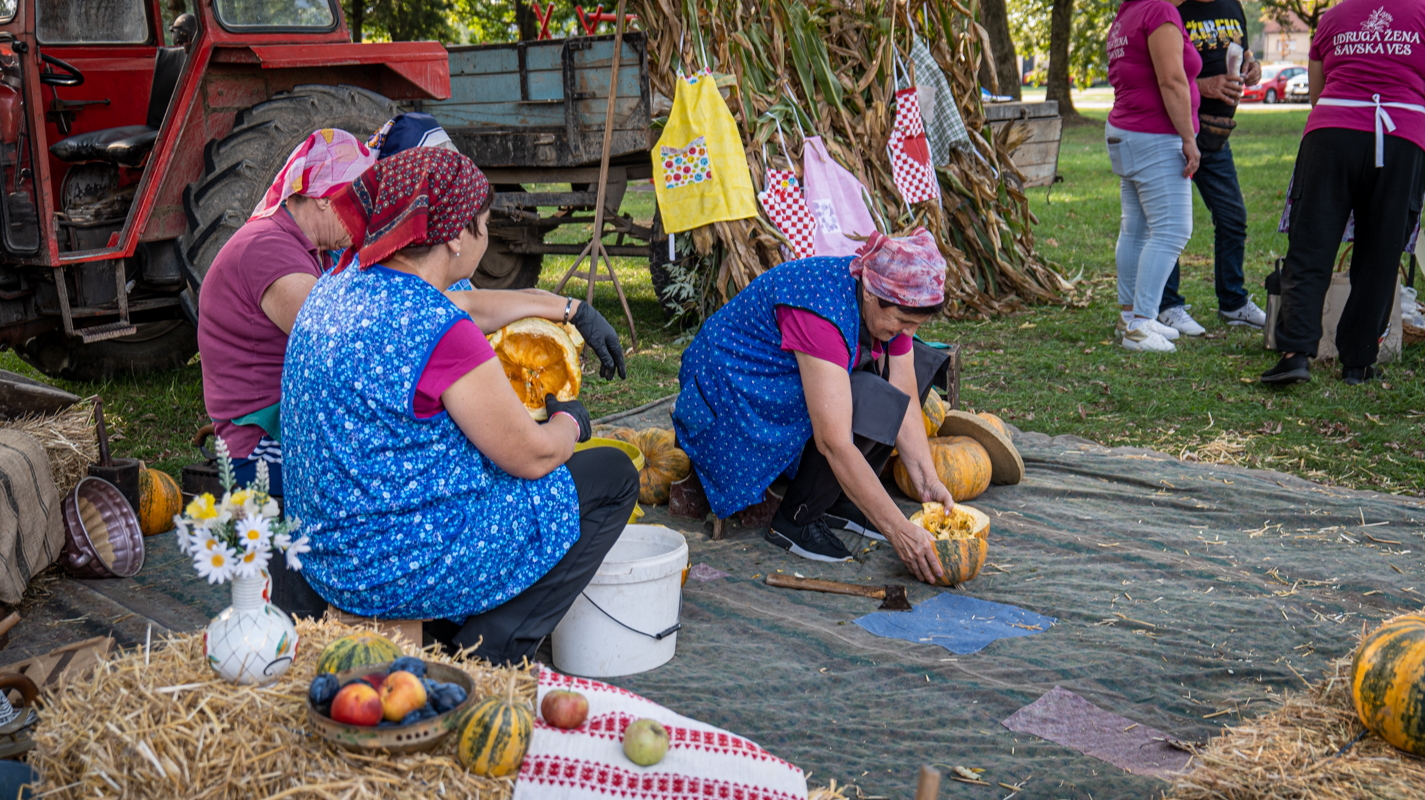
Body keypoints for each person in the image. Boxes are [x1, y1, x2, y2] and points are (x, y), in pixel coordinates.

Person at [282, 148, 639, 665]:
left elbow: (468, 302)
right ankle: (488, 649)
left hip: (325, 550)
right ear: (456, 235)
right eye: (486, 224)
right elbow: (533, 455)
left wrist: (570, 308)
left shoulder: (339, 285)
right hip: (392, 566)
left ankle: (460, 619)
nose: (487, 235)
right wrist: (570, 420)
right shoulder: (437, 329)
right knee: (608, 475)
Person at [672, 230, 954, 584]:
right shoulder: (819, 310)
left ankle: (837, 498)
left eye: (915, 324)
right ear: (869, 292)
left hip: (768, 384)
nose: (907, 332)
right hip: (726, 398)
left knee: (909, 371)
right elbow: (833, 442)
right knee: (865, 396)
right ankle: (796, 518)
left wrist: (928, 481)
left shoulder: (881, 300)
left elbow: (906, 394)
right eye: (902, 321)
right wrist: (899, 531)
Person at [197, 129, 377, 497]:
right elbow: (342, 342)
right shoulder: (268, 249)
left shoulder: (307, 247)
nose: (366, 221)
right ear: (326, 200)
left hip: (292, 426)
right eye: (360, 206)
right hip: (258, 451)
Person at [1261, 0, 1425, 386]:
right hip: (1402, 135)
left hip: (1331, 132)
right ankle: (1358, 362)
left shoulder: (1332, 17)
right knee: (1381, 252)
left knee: (1311, 244)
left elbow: (1317, 92)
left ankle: (1294, 353)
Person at [1153, 0, 1268, 337]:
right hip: (1177, 129)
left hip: (1216, 134)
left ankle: (1233, 302)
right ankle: (1167, 305)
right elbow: (1162, 73)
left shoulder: (1232, 6)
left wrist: (1252, 66)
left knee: (1233, 217)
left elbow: (1242, 52)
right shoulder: (1174, 8)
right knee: (1170, 223)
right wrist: (1205, 85)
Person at [1105, 0, 1203, 352]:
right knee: (1173, 228)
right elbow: (1172, 80)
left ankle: (1130, 317)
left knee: (1136, 228)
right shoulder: (1159, 11)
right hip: (1155, 134)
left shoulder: (1128, 12)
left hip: (1127, 130)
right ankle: (1142, 323)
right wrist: (1189, 139)